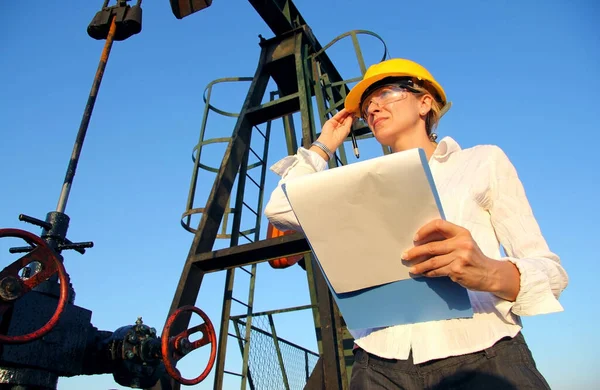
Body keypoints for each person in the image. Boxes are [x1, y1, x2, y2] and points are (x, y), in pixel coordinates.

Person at [264, 58, 568, 389]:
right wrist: (323, 146)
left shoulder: (481, 162)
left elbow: (550, 273)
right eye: (366, 105)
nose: (372, 108)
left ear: (425, 102)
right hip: (378, 368)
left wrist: (489, 272)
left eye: (383, 93)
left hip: (483, 358)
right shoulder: (359, 185)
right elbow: (281, 208)